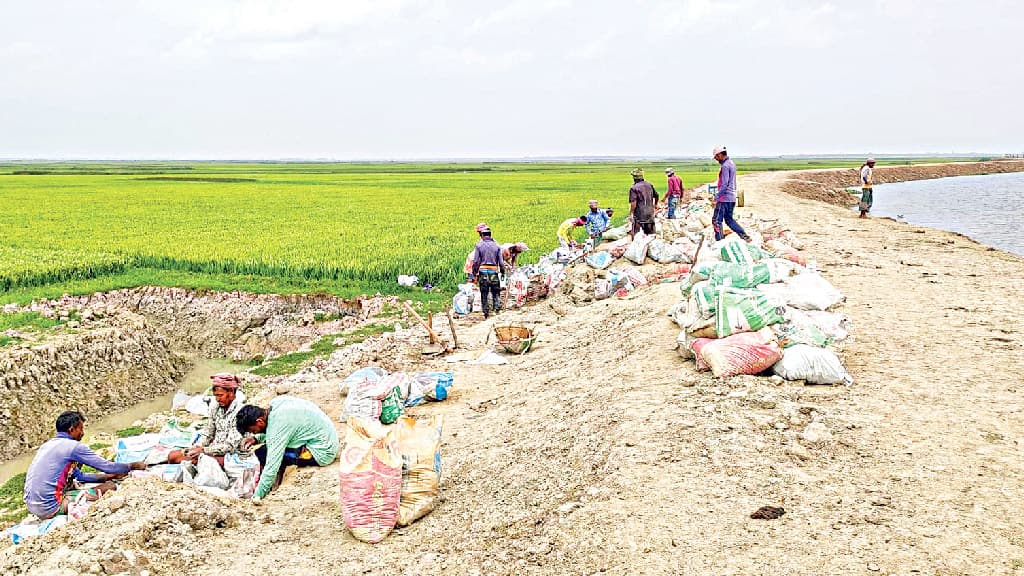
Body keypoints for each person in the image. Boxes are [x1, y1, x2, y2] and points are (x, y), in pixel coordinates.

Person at [23, 411, 146, 519]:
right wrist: (132, 466)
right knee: (110, 487)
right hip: (49, 508)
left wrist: (107, 476)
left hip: (33, 506)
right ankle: (63, 505)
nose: (83, 433)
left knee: (104, 481)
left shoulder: (48, 445)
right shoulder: (73, 447)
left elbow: (79, 476)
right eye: (81, 429)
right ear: (72, 429)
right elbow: (106, 466)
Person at [236, 396, 340, 504]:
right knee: (268, 448)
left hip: (322, 452)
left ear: (259, 421)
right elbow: (282, 432)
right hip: (325, 438)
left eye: (254, 431)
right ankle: (273, 483)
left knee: (263, 453)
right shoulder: (277, 404)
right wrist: (257, 438)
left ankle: (268, 487)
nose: (255, 433)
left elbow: (272, 466)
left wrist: (258, 496)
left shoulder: (278, 426)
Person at [168, 373, 249, 466]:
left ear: (231, 392)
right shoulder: (215, 407)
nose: (217, 399)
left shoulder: (241, 413)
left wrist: (203, 450)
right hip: (213, 450)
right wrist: (196, 447)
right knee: (173, 456)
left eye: (220, 395)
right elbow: (208, 433)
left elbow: (230, 446)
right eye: (216, 396)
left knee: (197, 461)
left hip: (231, 456)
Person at [711, 147, 751, 242]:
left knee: (716, 221)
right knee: (729, 220)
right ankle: (744, 236)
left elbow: (724, 184)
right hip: (731, 197)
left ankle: (720, 241)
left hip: (724, 198)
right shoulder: (732, 163)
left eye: (716, 157)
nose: (716, 159)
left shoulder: (725, 166)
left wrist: (716, 197)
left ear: (720, 154)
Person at [471, 224, 507, 319]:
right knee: (496, 292)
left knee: (484, 294)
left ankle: (486, 313)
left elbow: (476, 261)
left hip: (483, 273)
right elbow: (501, 262)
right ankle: (496, 310)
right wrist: (503, 272)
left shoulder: (479, 245)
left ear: (482, 235)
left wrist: (474, 273)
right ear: (490, 235)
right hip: (494, 273)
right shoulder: (497, 246)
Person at [628, 168, 658, 238]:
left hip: (640, 215)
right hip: (650, 213)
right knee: (651, 235)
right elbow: (656, 195)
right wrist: (655, 205)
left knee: (637, 235)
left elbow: (633, 204)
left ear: (634, 178)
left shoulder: (634, 188)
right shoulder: (649, 185)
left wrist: (631, 213)